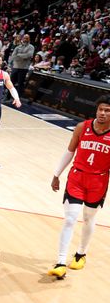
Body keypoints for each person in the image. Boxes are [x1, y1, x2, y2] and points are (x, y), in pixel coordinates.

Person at [47, 96, 110, 279]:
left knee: (89, 218)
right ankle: (60, 262)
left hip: (98, 181)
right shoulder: (83, 127)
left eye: (107, 110)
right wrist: (56, 174)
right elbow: (70, 151)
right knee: (70, 219)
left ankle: (81, 253)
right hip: (77, 177)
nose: (103, 113)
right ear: (96, 110)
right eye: (100, 109)